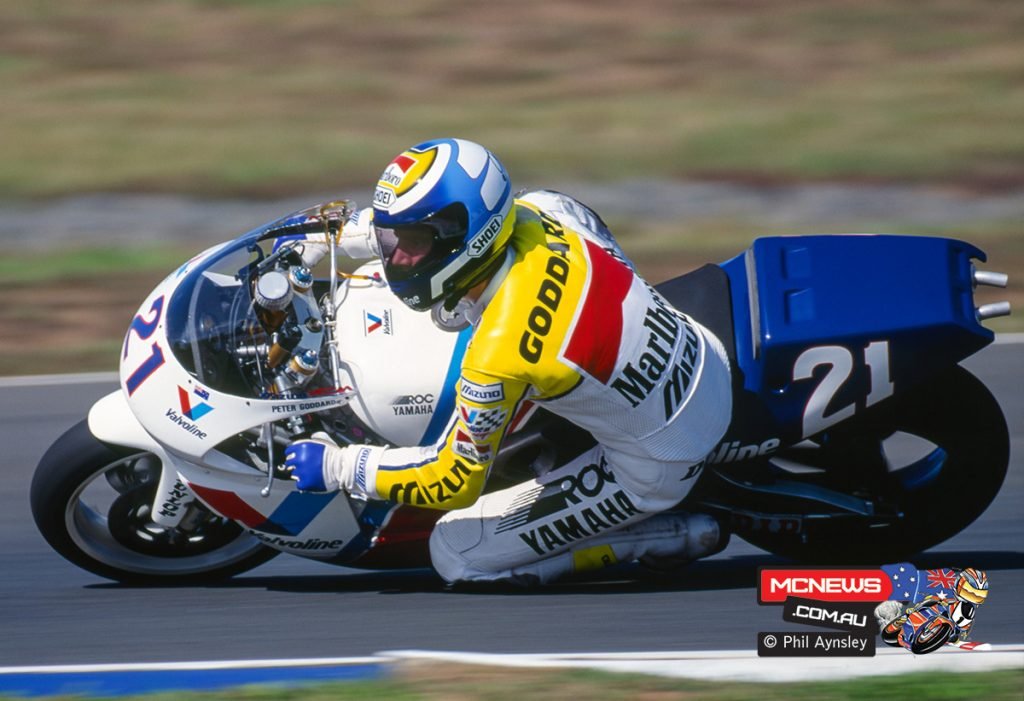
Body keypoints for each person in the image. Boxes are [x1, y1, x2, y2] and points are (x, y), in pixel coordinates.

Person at [285, 138, 734, 585]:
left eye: (414, 241)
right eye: (392, 237)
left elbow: (452, 481)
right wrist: (340, 237)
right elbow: (591, 224)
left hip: (661, 456)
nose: (397, 255)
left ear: (469, 239)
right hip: (699, 345)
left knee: (455, 555)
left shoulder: (500, 352)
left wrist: (339, 467)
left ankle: (664, 535)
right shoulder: (542, 210)